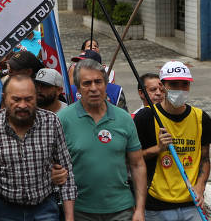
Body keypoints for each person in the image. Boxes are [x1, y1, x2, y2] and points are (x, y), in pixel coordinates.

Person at [0, 74, 76, 221]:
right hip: (3, 211)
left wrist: (69, 218)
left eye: (29, 99)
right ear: (4, 98)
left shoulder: (52, 122)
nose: (23, 105)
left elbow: (66, 172)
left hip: (44, 209)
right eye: (16, 99)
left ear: (36, 97)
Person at [58, 59, 147, 221]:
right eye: (87, 83)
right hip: (79, 210)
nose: (94, 88)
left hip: (121, 209)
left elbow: (137, 164)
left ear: (106, 84)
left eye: (98, 82)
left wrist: (140, 209)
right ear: (77, 88)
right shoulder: (62, 119)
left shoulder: (124, 119)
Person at [133, 61, 210, 221]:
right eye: (174, 84)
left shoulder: (201, 118)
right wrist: (158, 148)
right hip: (156, 206)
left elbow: (204, 158)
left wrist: (200, 187)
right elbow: (133, 160)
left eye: (185, 85)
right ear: (163, 86)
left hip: (192, 204)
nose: (180, 90)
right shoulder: (145, 118)